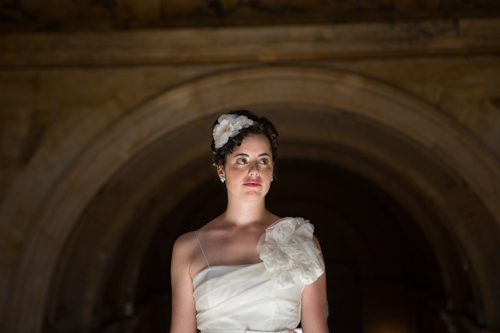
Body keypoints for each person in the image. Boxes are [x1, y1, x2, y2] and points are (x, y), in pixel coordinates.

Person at [170, 110, 328, 333]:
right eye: (242, 160)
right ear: (221, 170)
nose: (254, 171)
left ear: (272, 170)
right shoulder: (188, 248)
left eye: (263, 161)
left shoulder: (301, 240)